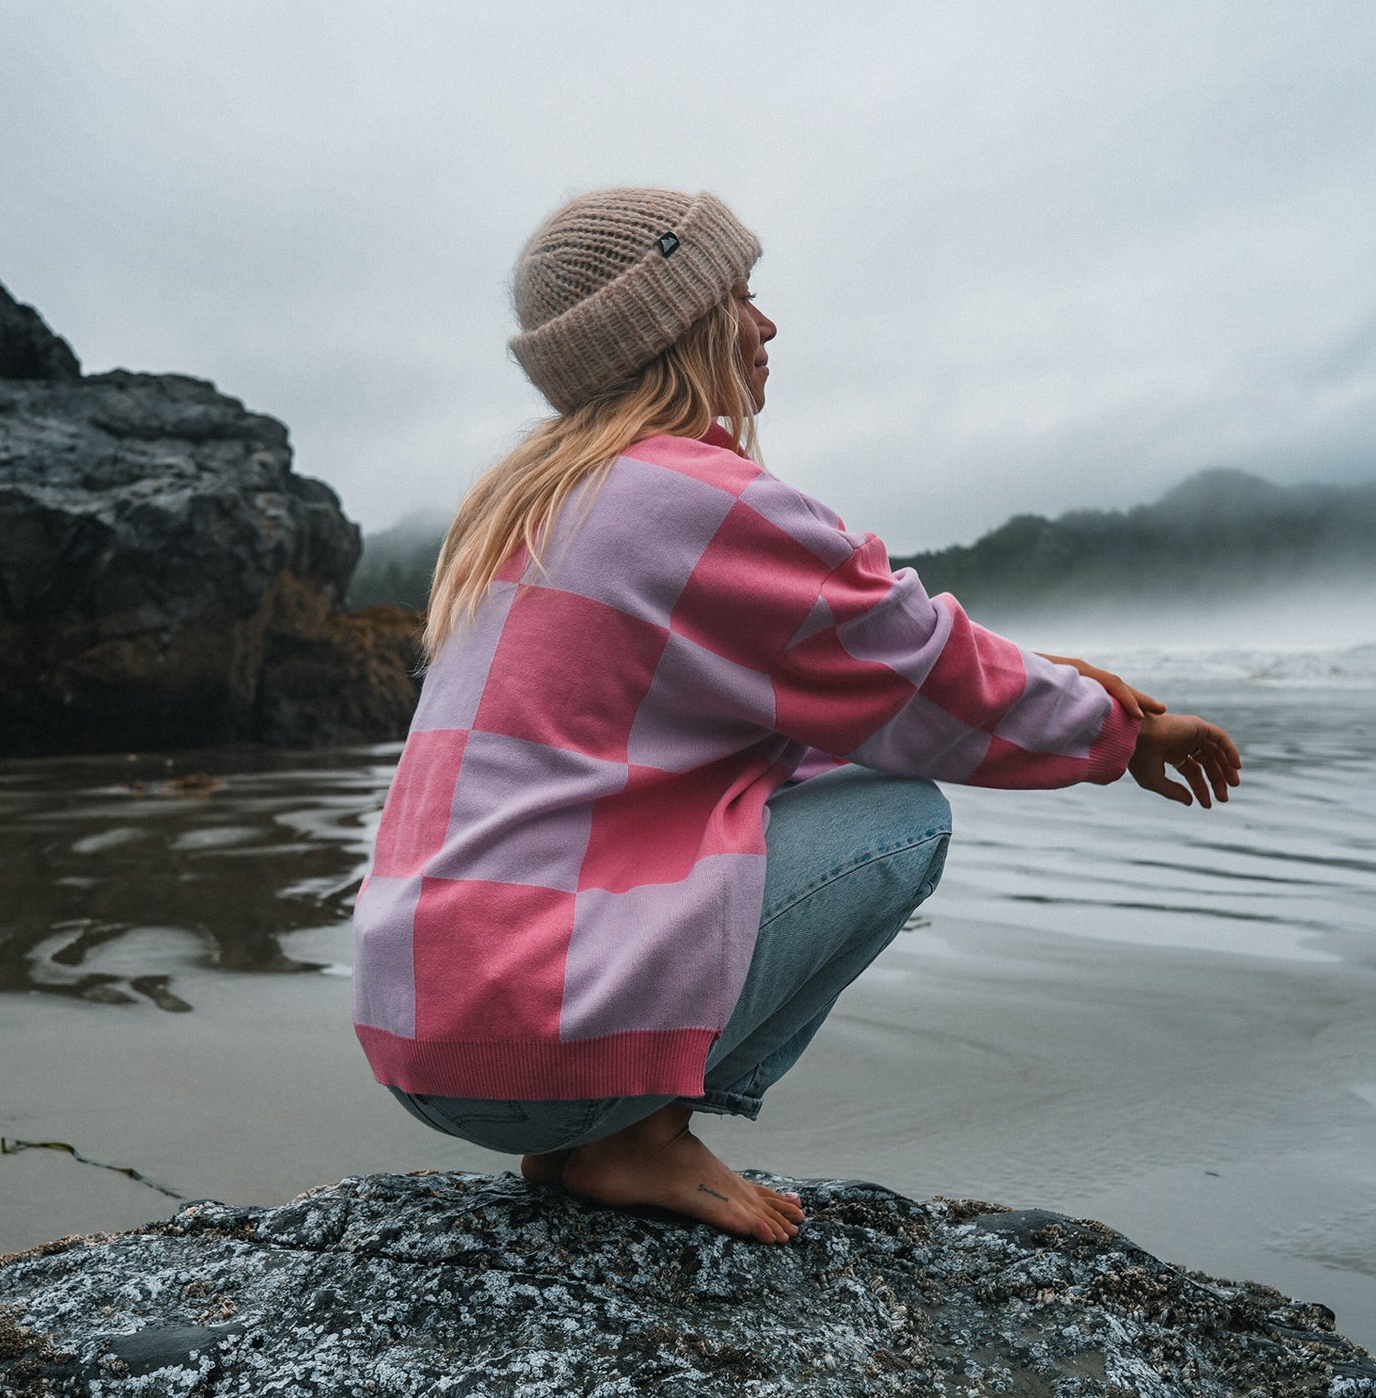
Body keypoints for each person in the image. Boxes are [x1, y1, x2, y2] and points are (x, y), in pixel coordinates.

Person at [353, 187, 1240, 1245]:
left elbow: (836, 687)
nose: (765, 324)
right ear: (674, 327)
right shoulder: (689, 497)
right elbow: (913, 669)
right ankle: (632, 1133)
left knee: (808, 775)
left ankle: (588, 1134)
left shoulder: (531, 507)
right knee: (898, 813)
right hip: (532, 1035)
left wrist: (1051, 676)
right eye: (740, 295)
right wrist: (1121, 732)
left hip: (427, 1035)